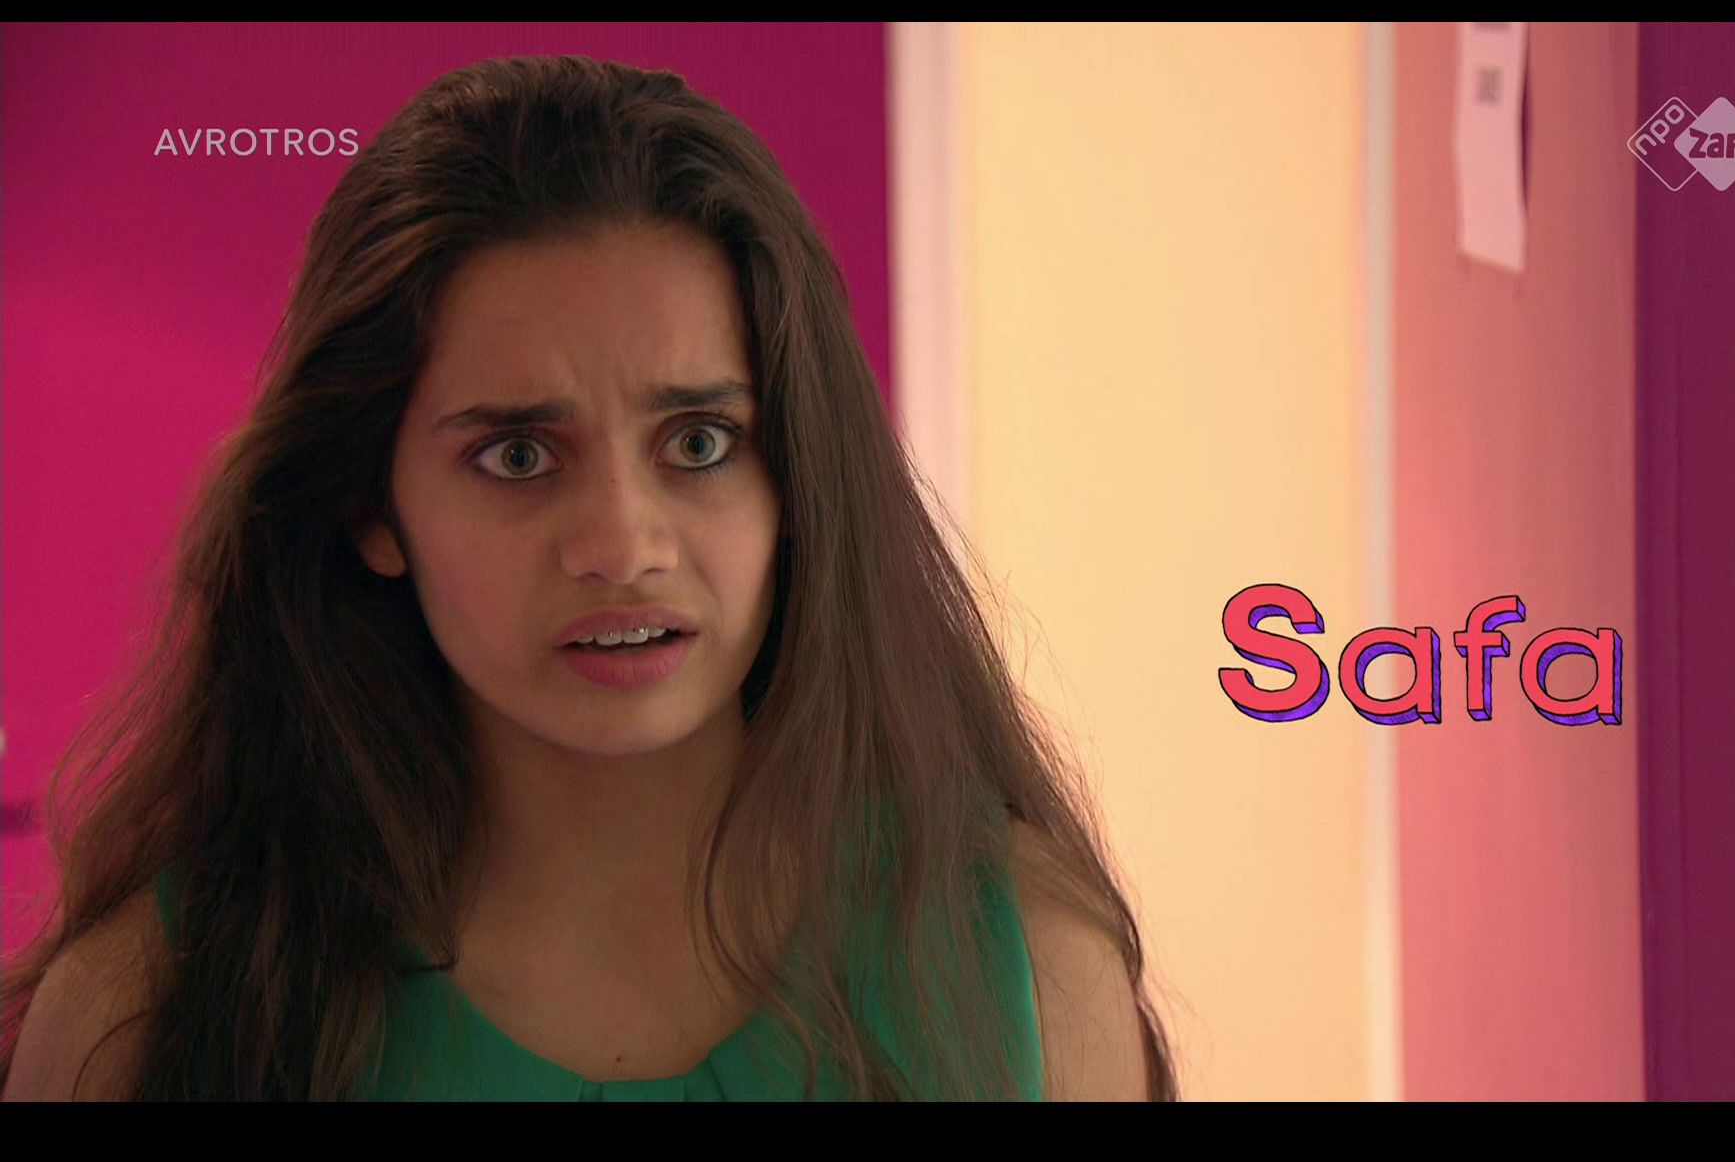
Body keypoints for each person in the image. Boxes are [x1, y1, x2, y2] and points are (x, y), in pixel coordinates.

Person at [0, 55, 1178, 1101]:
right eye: (518, 456)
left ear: (798, 478)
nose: (622, 545)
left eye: (700, 444)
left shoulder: (1026, 972)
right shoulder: (149, 1015)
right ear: (371, 506)